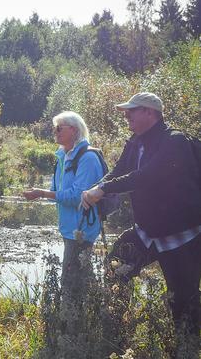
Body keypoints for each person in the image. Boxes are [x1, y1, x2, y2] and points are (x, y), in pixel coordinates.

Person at [81, 92, 201, 340]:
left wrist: (103, 189)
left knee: (184, 302)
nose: (126, 116)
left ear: (150, 112)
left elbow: (147, 175)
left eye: (131, 111)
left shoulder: (174, 141)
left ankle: (186, 348)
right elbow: (117, 173)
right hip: (147, 231)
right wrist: (95, 190)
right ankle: (119, 327)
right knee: (116, 268)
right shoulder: (135, 142)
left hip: (181, 236)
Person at [23, 111, 103, 297]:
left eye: (59, 128)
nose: (55, 132)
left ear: (74, 131)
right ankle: (93, 316)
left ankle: (71, 321)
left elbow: (78, 196)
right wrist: (45, 193)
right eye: (54, 128)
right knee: (80, 277)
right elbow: (58, 191)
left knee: (70, 280)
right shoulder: (62, 157)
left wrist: (42, 193)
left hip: (82, 228)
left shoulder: (87, 158)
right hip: (69, 227)